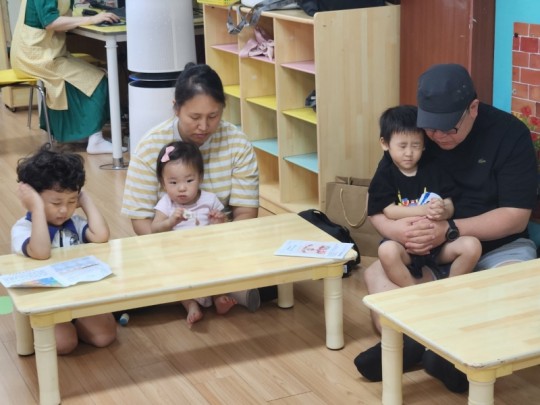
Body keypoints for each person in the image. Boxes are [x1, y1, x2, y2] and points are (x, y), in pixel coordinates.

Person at [355, 64, 538, 392]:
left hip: (496, 247)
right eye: (431, 128)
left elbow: (516, 217)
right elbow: (377, 202)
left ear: (473, 108)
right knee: (377, 274)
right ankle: (435, 346)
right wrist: (397, 232)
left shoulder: (509, 134)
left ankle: (423, 344)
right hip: (428, 252)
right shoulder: (414, 135)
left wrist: (450, 229)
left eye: (448, 128)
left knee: (515, 289)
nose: (438, 136)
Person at [121, 62, 277, 301]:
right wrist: (176, 247)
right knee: (130, 270)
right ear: (176, 108)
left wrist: (221, 232)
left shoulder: (237, 143)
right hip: (168, 246)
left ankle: (200, 292)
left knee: (271, 250)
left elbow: (246, 213)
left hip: (222, 242)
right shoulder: (150, 147)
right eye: (194, 117)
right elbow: (141, 221)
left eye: (213, 116)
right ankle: (224, 291)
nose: (204, 127)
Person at [11, 146, 117, 354]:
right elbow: (41, 252)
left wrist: (84, 199)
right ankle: (38, 325)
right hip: (46, 301)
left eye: (71, 201)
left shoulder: (73, 222)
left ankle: (75, 323)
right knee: (64, 344)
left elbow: (101, 235)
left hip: (78, 297)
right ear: (33, 199)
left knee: (104, 336)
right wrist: (36, 208)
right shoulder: (23, 229)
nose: (64, 210)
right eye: (56, 202)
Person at [368, 105, 481, 287]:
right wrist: (423, 210)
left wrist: (443, 211)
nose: (409, 153)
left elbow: (449, 203)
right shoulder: (385, 173)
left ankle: (450, 289)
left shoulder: (433, 168)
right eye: (402, 146)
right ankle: (413, 291)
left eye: (416, 146)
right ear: (385, 143)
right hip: (405, 246)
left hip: (438, 245)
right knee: (387, 251)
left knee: (472, 246)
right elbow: (389, 211)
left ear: (424, 145)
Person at [152, 141, 260, 327]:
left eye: (189, 181)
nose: (182, 188)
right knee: (177, 281)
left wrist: (219, 222)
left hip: (207, 253)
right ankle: (191, 305)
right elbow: (154, 229)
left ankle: (219, 298)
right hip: (178, 256)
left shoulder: (209, 200)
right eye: (173, 182)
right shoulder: (167, 204)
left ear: (200, 178)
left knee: (218, 272)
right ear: (163, 183)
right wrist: (170, 222)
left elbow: (224, 229)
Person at [10, 0, 125, 154]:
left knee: (89, 73)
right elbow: (51, 22)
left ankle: (82, 133)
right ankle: (95, 140)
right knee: (97, 80)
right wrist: (92, 19)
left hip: (46, 51)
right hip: (36, 56)